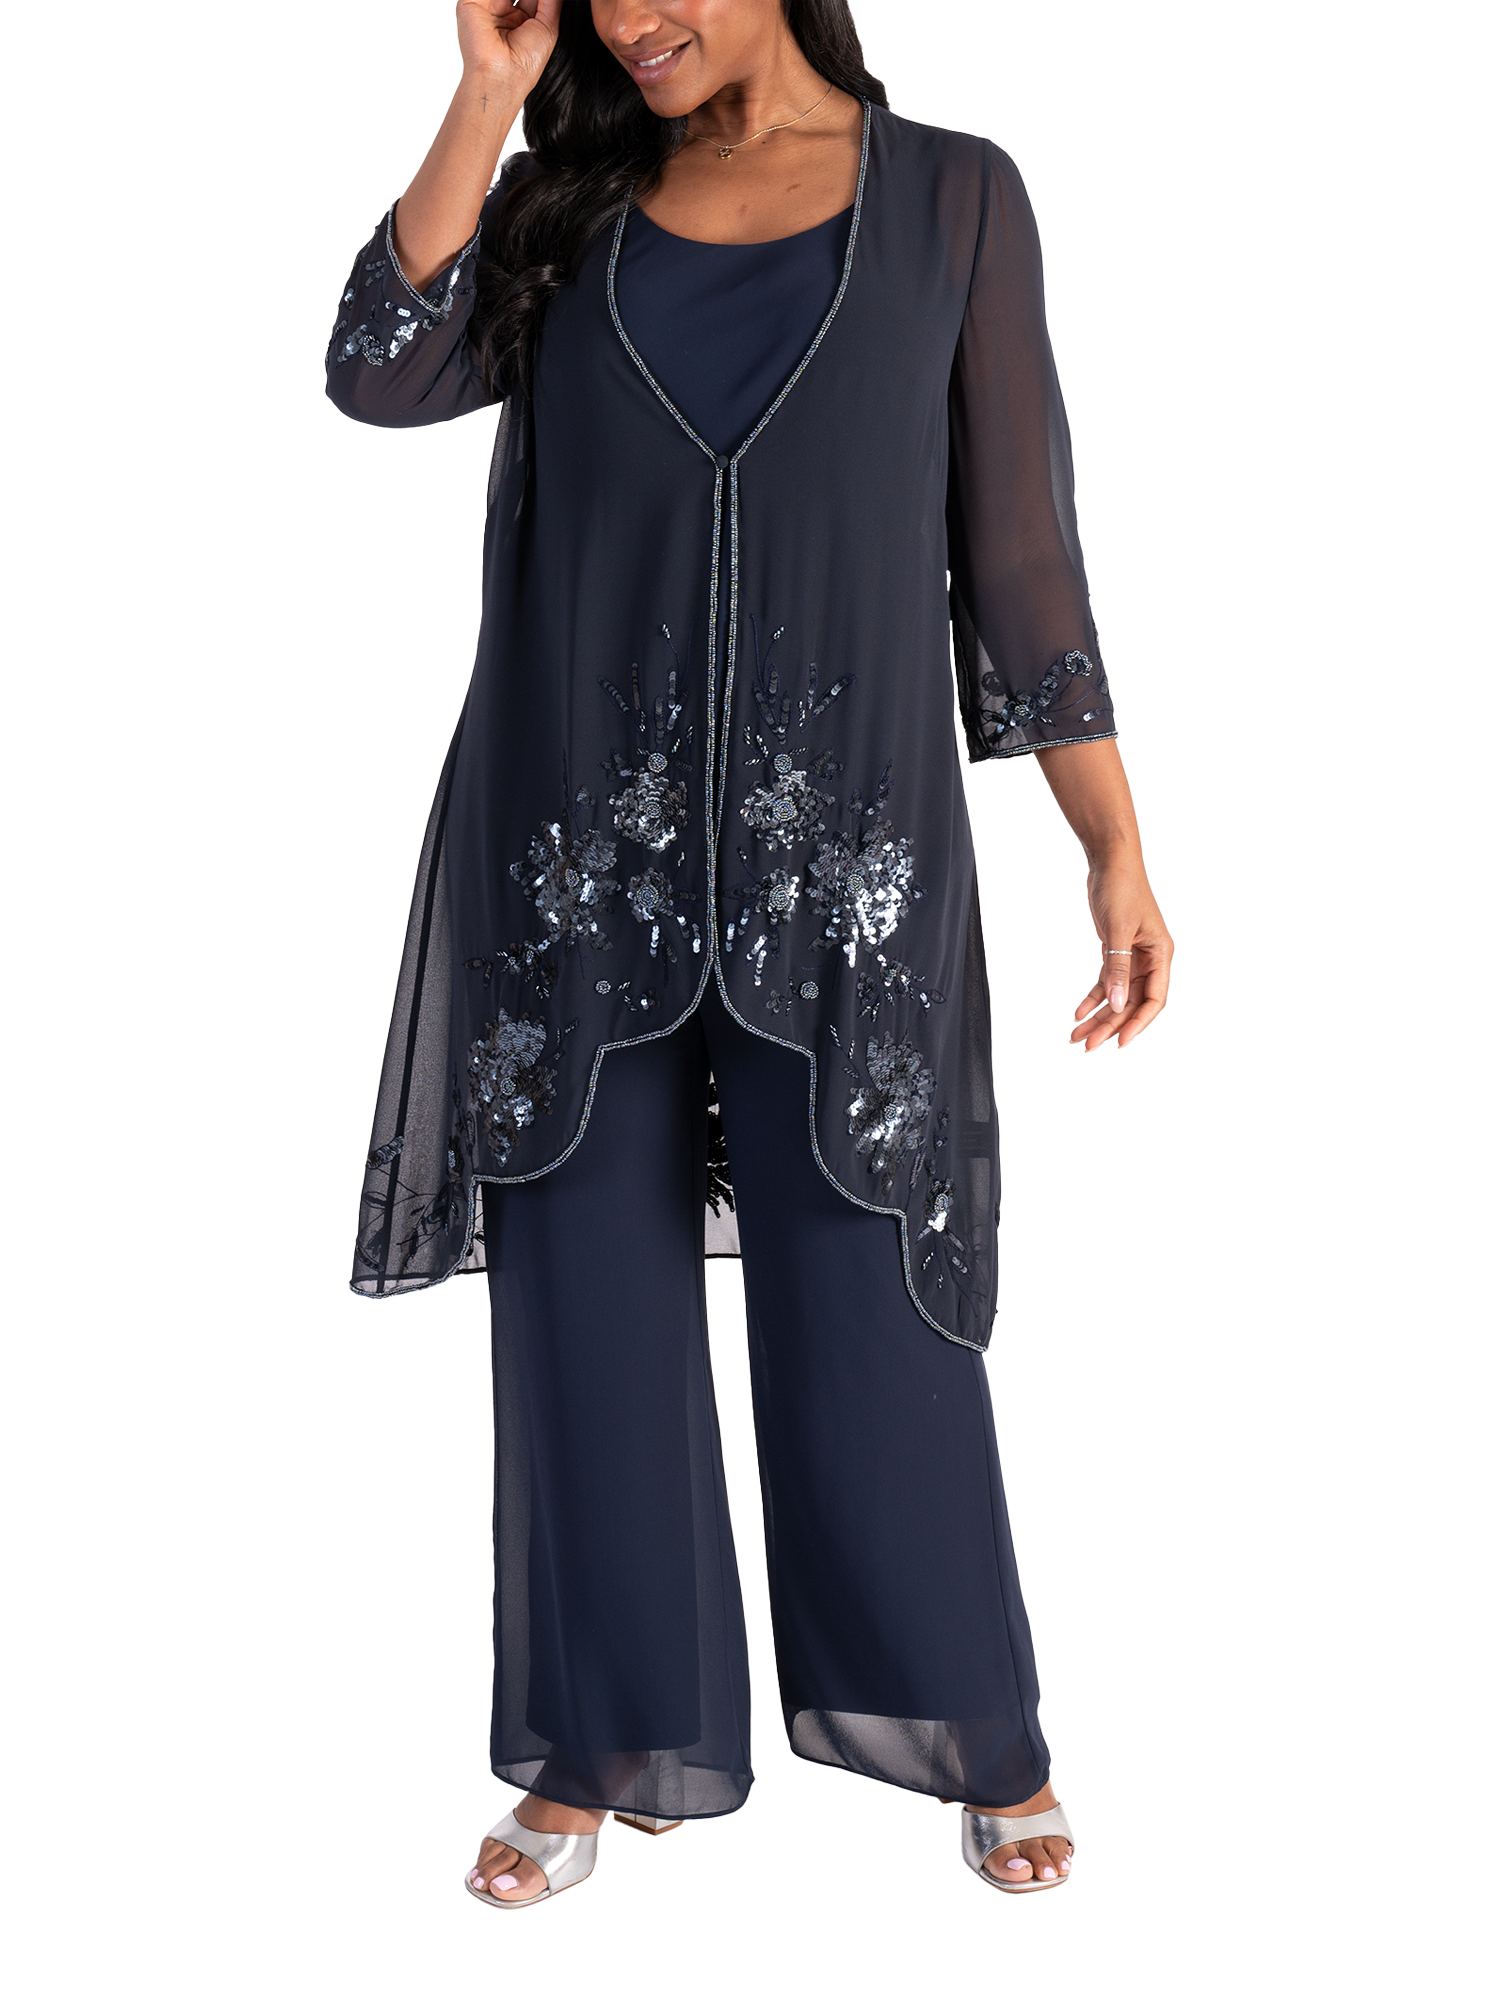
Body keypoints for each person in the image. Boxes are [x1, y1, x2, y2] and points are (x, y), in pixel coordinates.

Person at [325, 0, 1172, 1908]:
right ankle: (602, 1740)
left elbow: (1020, 556)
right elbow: (377, 367)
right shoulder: (557, 211)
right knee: (586, 1317)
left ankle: (973, 1731)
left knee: (874, 1310)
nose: (628, 20)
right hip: (576, 867)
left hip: (842, 874)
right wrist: (483, 98)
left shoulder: (953, 200)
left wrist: (1112, 844)